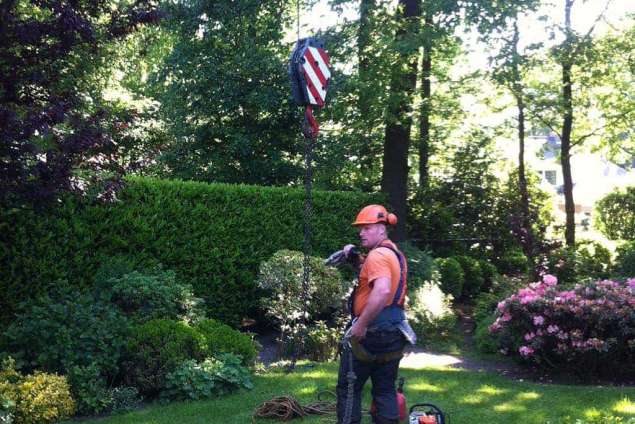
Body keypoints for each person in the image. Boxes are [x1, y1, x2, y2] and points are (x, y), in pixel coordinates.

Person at [336, 205, 416, 424]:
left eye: (367, 228)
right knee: (385, 390)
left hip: (370, 333)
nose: (361, 232)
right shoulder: (393, 254)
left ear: (381, 228)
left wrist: (360, 325)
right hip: (393, 333)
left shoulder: (378, 256)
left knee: (348, 388)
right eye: (360, 229)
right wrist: (354, 257)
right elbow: (371, 274)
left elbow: (381, 290)